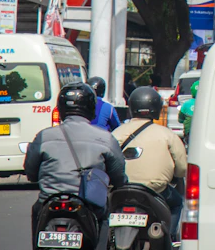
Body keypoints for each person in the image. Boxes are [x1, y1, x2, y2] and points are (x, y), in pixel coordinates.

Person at [24, 82, 127, 249]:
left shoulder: (44, 136)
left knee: (37, 209)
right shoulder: (106, 138)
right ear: (91, 108)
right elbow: (118, 176)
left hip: (49, 203)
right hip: (89, 205)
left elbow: (31, 173)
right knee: (105, 215)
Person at [113, 87, 187, 241]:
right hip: (156, 189)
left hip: (120, 189)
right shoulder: (167, 135)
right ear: (157, 109)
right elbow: (182, 169)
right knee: (177, 203)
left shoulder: (117, 133)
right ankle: (170, 238)